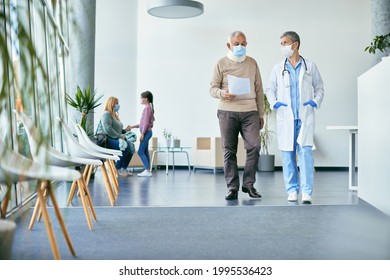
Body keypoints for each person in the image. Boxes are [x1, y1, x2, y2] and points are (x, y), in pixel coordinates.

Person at [265, 31, 324, 203]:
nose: (282, 46)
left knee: (305, 154)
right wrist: (275, 103)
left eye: (285, 42)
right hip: (286, 117)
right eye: (281, 43)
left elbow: (319, 87)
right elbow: (270, 89)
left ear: (295, 44)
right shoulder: (278, 68)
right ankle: (292, 190)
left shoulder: (310, 66)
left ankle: (306, 192)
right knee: (287, 154)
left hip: (304, 116)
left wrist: (315, 101)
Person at [210, 30, 264, 200]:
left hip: (250, 111)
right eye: (236, 43)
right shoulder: (221, 63)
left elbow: (259, 89)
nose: (240, 46)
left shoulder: (252, 63)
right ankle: (232, 187)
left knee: (254, 147)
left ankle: (249, 185)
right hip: (227, 111)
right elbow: (212, 89)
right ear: (229, 45)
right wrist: (223, 93)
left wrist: (261, 114)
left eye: (243, 43)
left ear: (246, 44)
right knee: (229, 150)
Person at [96, 96, 135, 177]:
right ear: (111, 104)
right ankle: (116, 169)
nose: (118, 105)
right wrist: (120, 136)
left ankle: (123, 169)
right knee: (126, 147)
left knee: (131, 147)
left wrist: (125, 131)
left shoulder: (115, 116)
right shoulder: (106, 114)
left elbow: (117, 130)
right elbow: (107, 129)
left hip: (113, 138)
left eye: (118, 103)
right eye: (116, 103)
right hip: (106, 140)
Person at [135, 90, 155, 177]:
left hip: (146, 133)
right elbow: (143, 123)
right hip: (147, 132)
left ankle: (147, 170)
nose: (140, 99)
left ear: (146, 99)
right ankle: (148, 170)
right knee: (145, 151)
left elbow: (146, 123)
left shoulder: (147, 108)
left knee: (140, 152)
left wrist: (142, 134)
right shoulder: (149, 108)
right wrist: (133, 126)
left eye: (141, 98)